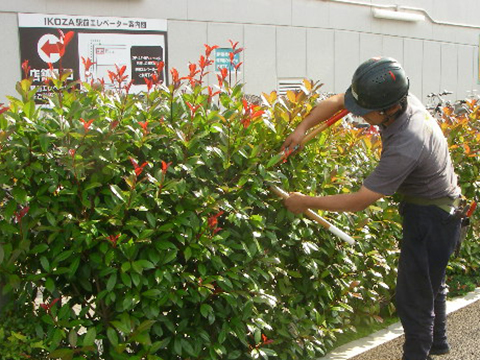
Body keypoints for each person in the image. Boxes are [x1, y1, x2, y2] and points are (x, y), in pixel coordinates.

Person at [282, 57, 462, 360]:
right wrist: (302, 128)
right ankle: (438, 344)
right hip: (442, 209)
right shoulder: (397, 98)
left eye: (366, 113)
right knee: (432, 283)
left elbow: (360, 200)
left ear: (388, 110)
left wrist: (305, 202)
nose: (360, 116)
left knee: (413, 299)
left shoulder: (408, 141)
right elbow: (339, 101)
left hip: (432, 218)